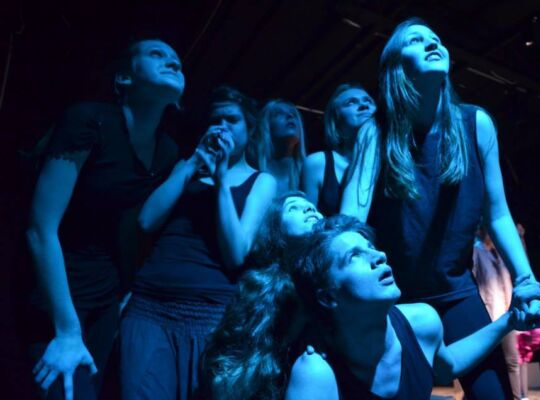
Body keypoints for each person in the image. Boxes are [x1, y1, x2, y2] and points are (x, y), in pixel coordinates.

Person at [363, 17, 540, 398]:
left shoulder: (476, 124)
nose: (434, 43)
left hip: (456, 292)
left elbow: (497, 214)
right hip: (395, 294)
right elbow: (353, 218)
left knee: (493, 393)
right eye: (417, 40)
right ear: (396, 66)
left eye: (436, 38)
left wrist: (526, 280)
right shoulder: (375, 132)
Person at [25, 39, 184, 400]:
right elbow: (39, 230)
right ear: (125, 77)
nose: (173, 62)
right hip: (54, 288)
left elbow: (136, 227)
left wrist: (126, 293)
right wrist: (67, 330)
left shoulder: (167, 150)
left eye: (177, 60)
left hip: (105, 291)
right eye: (157, 54)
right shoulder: (89, 120)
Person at [119, 86, 276, 399]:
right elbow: (146, 221)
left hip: (210, 312)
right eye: (215, 120)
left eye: (231, 119)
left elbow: (236, 253)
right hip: (151, 303)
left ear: (250, 130)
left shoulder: (261, 181)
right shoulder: (185, 168)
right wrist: (193, 163)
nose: (221, 127)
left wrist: (221, 181)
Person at [284, 215, 540, 400]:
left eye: (371, 247)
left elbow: (450, 364)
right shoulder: (316, 375)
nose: (379, 256)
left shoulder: (422, 322)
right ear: (328, 297)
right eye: (354, 256)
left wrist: (510, 320)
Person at [203, 192, 323, 400]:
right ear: (276, 229)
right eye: (293, 208)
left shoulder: (339, 279)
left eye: (312, 206)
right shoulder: (260, 287)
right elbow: (233, 371)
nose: (309, 208)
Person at [301, 83, 377, 216]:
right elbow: (308, 221)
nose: (364, 105)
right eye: (351, 102)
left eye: (368, 101)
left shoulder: (395, 160)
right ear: (335, 119)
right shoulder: (318, 162)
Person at [473, 225, 520, 399]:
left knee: (512, 360)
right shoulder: (476, 250)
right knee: (487, 361)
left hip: (507, 313)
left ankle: (515, 397)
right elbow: (472, 277)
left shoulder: (499, 255)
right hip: (487, 313)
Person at [251, 100, 307, 194]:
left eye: (293, 114)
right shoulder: (250, 176)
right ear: (266, 127)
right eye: (278, 114)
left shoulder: (308, 176)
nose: (290, 116)